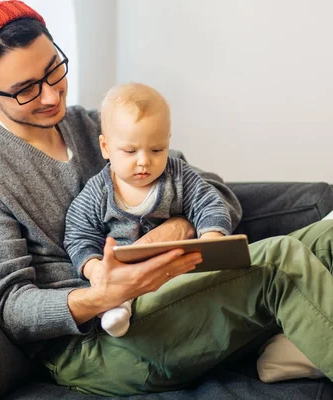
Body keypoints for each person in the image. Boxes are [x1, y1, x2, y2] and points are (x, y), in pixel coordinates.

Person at [0, 0, 333, 398]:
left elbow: (208, 186)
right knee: (280, 262)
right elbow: (11, 308)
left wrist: (181, 228)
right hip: (99, 344)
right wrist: (102, 295)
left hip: (164, 297)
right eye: (26, 89)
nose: (51, 96)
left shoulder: (90, 126)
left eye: (54, 70)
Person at [64, 82, 232, 337]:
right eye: (130, 151)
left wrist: (211, 239)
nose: (144, 161)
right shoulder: (97, 193)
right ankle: (116, 312)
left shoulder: (178, 176)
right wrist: (93, 267)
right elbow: (78, 236)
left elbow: (209, 203)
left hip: (176, 269)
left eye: (157, 149)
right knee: (117, 289)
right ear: (106, 147)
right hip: (125, 278)